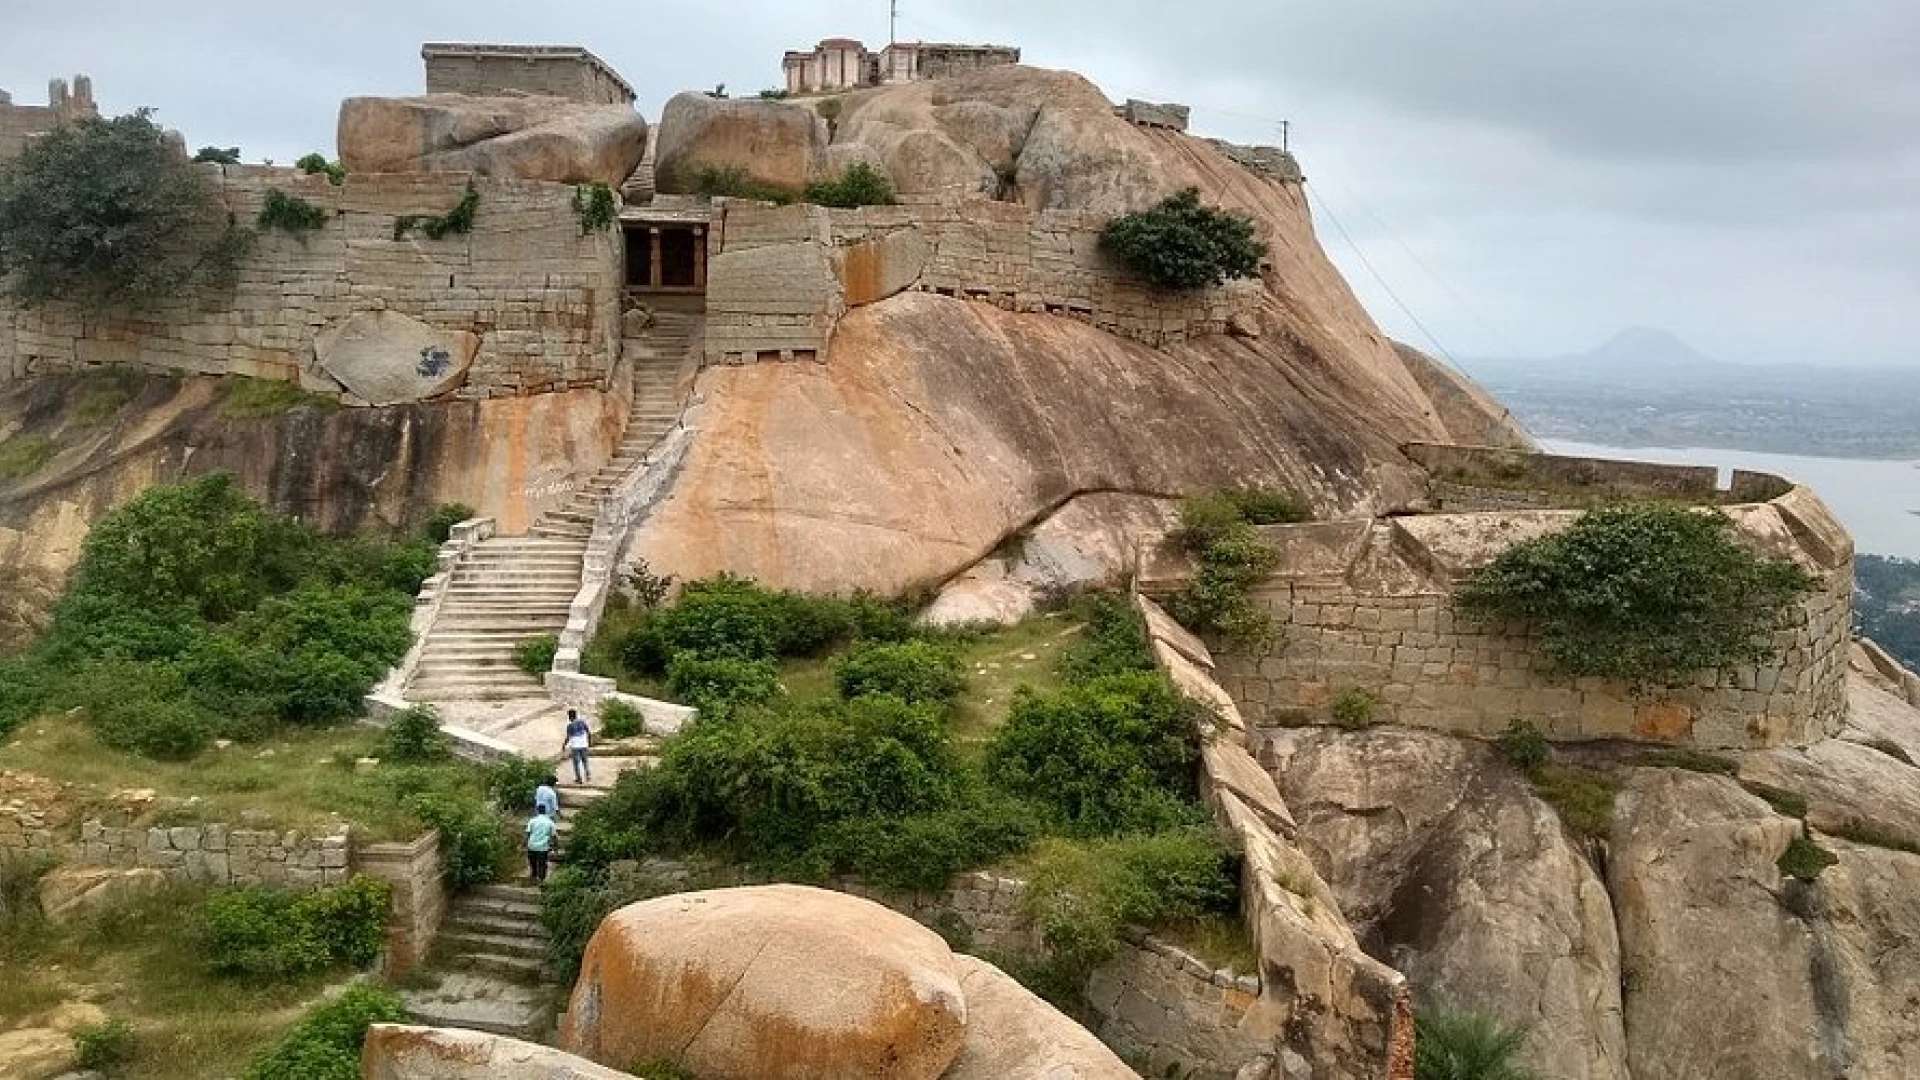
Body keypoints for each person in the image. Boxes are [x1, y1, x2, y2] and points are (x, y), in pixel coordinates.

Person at [561, 708, 593, 784]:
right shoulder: (582, 722)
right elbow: (588, 732)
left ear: (570, 716)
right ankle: (588, 776)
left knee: (576, 763)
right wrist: (589, 742)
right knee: (585, 761)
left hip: (575, 745)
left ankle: (579, 778)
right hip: (584, 744)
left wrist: (564, 745)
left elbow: (568, 737)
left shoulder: (570, 726)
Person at [525, 808, 555, 884]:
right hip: (543, 847)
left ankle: (534, 875)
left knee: (533, 862)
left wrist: (525, 843)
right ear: (545, 811)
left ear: (537, 811)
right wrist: (555, 845)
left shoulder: (532, 820)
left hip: (532, 846)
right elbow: (553, 835)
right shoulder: (550, 822)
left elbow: (528, 833)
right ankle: (541, 880)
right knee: (542, 863)